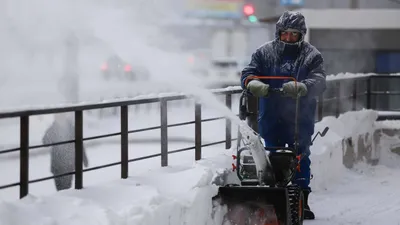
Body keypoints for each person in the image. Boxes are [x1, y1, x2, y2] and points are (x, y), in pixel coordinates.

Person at [240, 11, 327, 220]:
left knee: (300, 156)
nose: (289, 38)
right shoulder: (264, 53)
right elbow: (248, 72)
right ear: (278, 32)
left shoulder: (311, 55)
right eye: (285, 33)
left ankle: (301, 200)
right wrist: (253, 83)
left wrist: (303, 87)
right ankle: (274, 197)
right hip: (270, 113)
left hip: (300, 116)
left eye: (294, 34)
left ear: (301, 35)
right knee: (270, 154)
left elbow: (320, 80)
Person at [42, 113, 89, 191]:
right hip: (59, 165)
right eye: (57, 116)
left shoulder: (71, 128)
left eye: (60, 116)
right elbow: (45, 142)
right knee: (61, 189)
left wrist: (84, 159)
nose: (59, 118)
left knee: (66, 188)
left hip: (67, 164)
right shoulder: (54, 128)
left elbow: (79, 144)